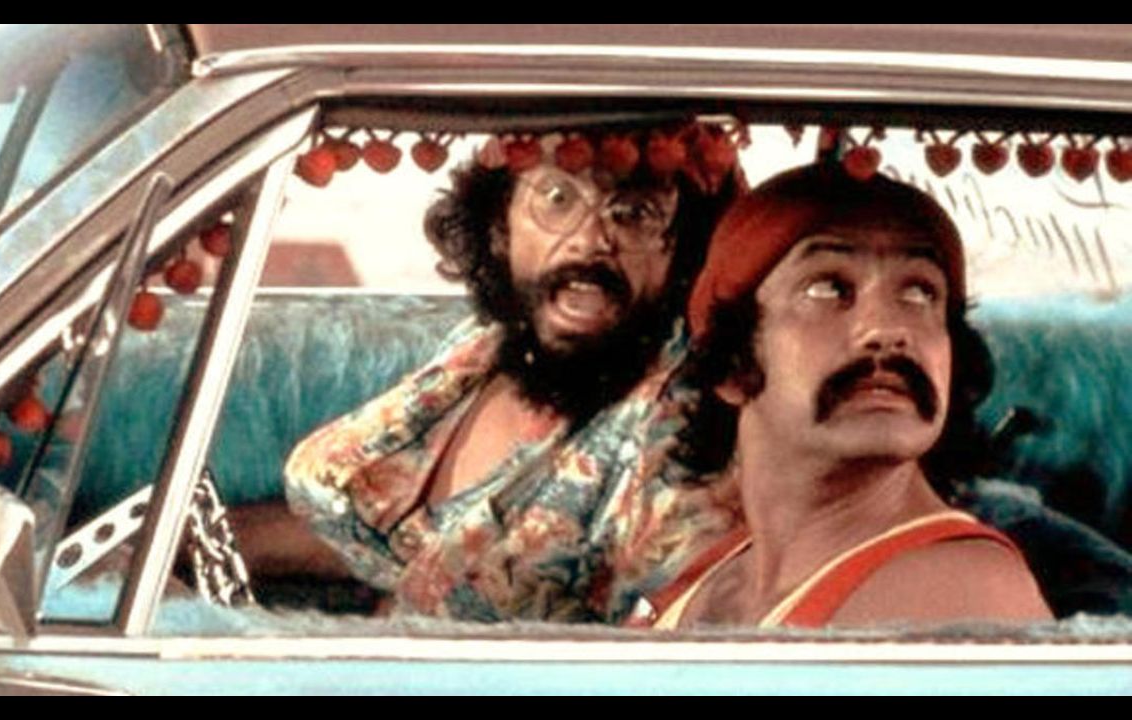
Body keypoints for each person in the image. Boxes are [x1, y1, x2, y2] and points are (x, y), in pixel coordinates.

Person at [271, 123, 743, 622]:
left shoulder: (683, 431)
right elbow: (386, 548)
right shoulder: (486, 348)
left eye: (634, 213)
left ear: (682, 248)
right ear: (501, 226)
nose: (590, 242)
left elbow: (661, 644)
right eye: (558, 199)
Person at [634, 162, 1052, 629]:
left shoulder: (961, 589)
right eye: (828, 288)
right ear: (732, 365)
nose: (886, 330)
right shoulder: (715, 570)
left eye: (919, 293)